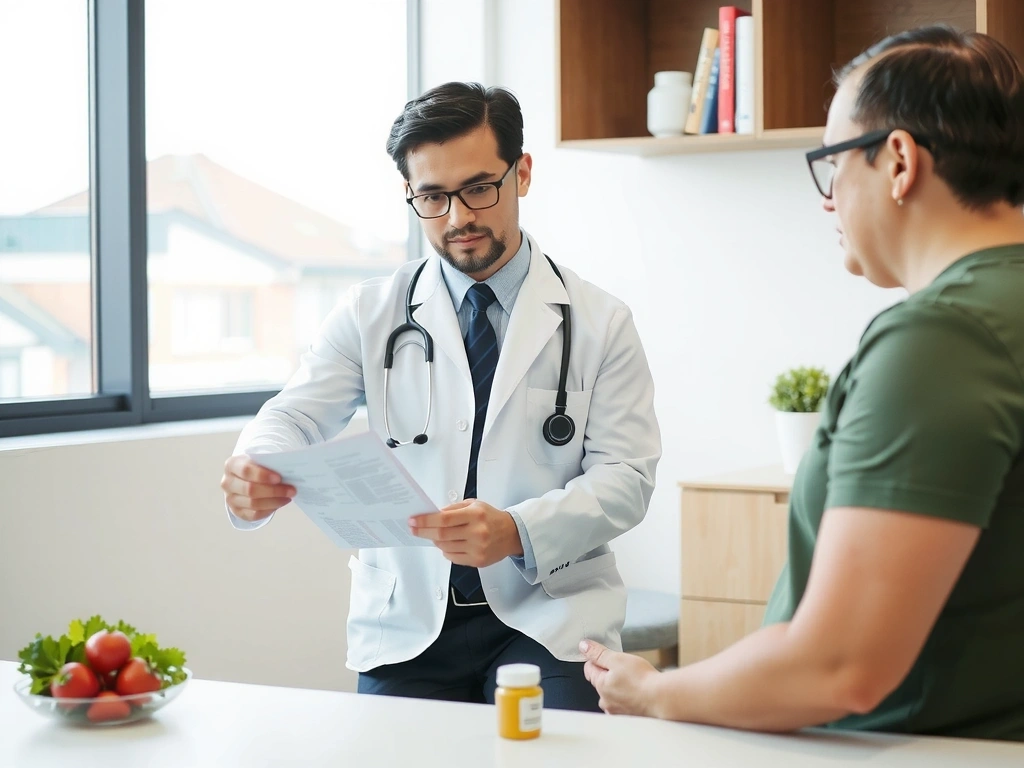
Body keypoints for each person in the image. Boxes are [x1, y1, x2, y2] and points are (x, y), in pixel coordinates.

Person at [581, 25, 1024, 741]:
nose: (828, 200)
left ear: (900, 161)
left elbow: (839, 666)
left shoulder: (944, 339)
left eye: (831, 162)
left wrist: (656, 691)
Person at [220, 82, 661, 711]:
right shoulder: (370, 314)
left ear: (522, 174)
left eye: (479, 188)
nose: (458, 218)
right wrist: (256, 464)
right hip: (408, 621)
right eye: (432, 196)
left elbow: (626, 478)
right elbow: (292, 416)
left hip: (547, 617)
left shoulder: (600, 321)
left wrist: (516, 531)